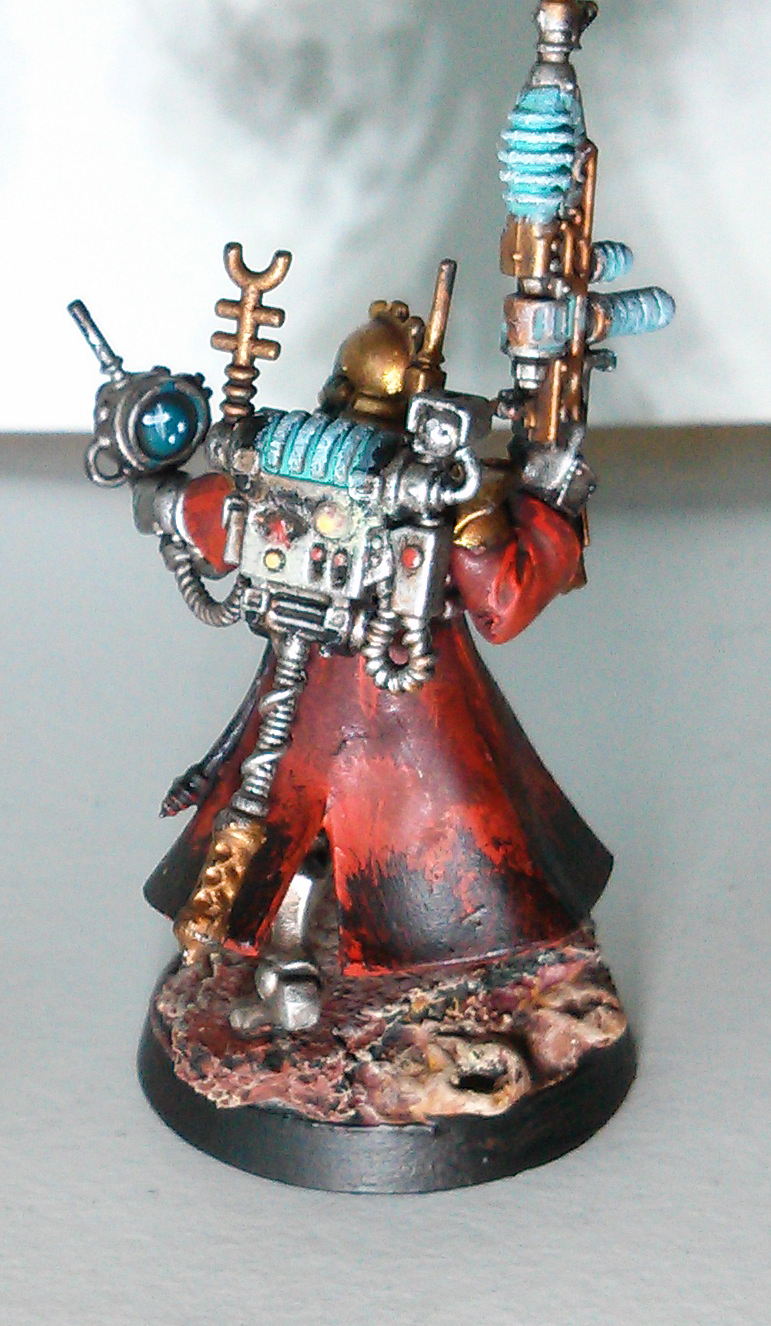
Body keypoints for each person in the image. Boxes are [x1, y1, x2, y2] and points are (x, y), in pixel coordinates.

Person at [141, 303, 610, 1027]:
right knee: (430, 837)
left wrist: (157, 483)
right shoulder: (449, 496)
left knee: (297, 818)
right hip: (409, 712)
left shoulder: (289, 465)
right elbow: (505, 601)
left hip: (317, 700)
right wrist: (550, 500)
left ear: (337, 388)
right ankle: (377, 948)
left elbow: (192, 514)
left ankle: (308, 948)